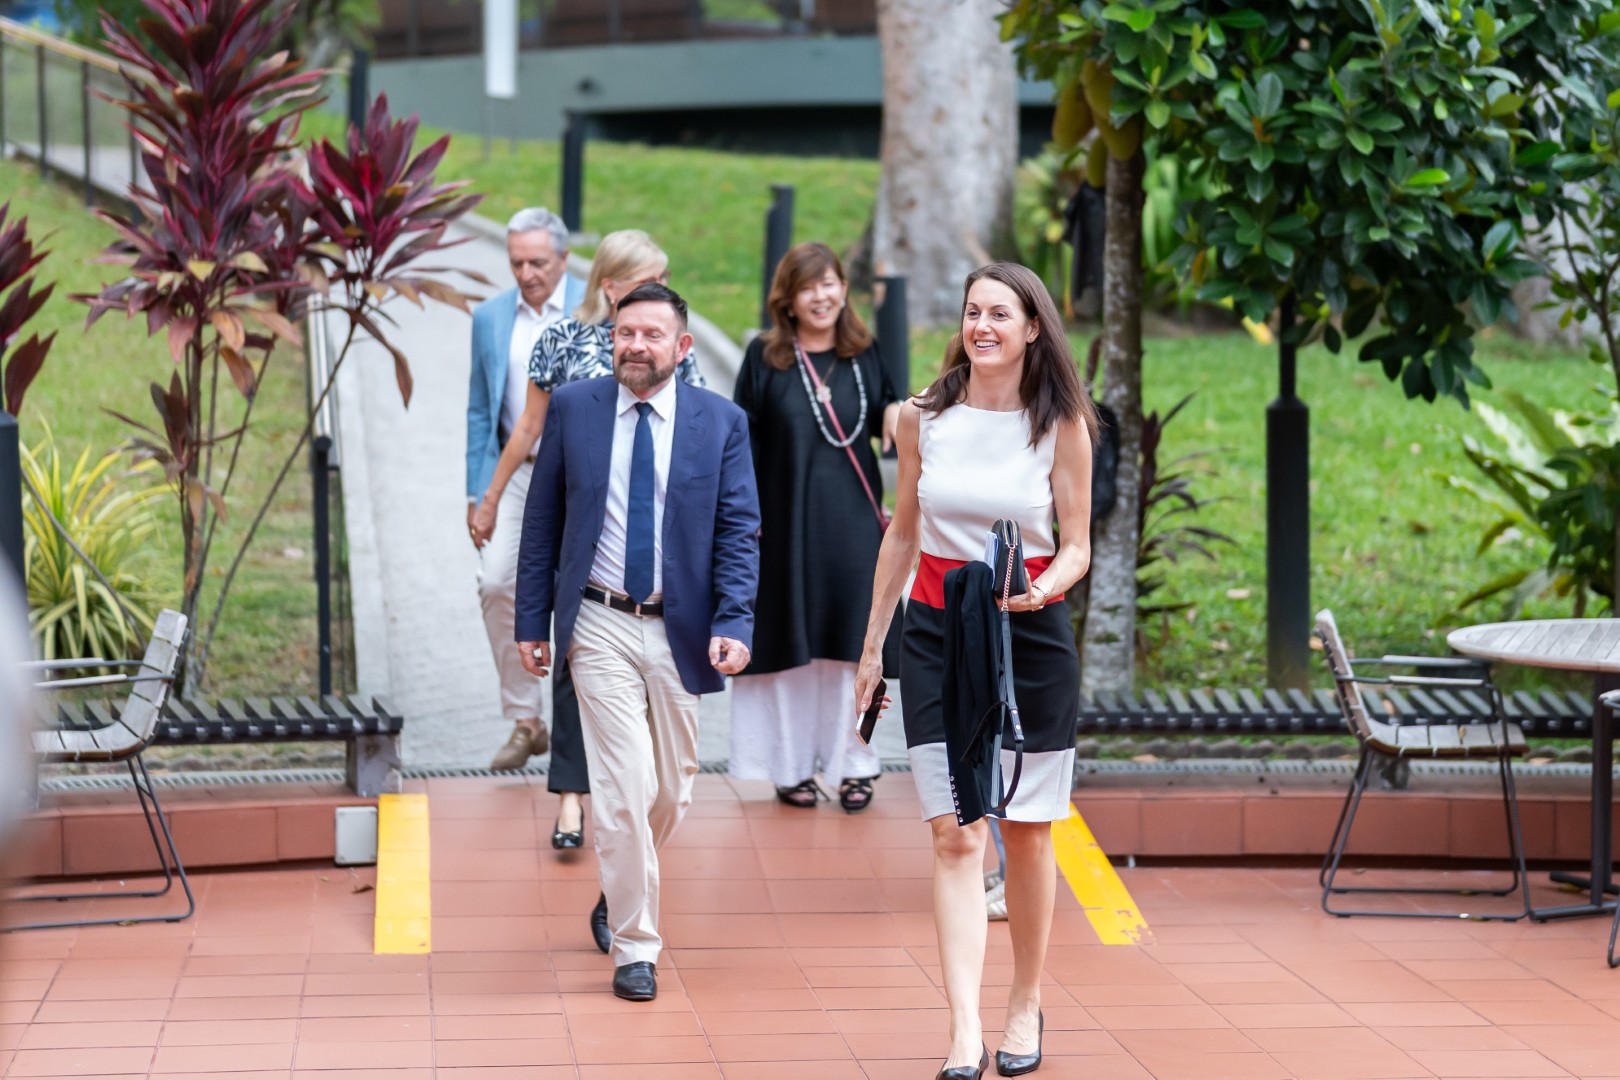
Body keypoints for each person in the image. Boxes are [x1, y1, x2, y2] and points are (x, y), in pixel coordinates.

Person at [855, 263, 1097, 1079]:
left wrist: (1044, 589)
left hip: (1030, 635)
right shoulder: (922, 417)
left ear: (1033, 328)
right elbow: (902, 532)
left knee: (1026, 832)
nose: (982, 326)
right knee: (954, 833)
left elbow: (1076, 545)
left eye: (1000, 313)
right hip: (935, 631)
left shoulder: (1060, 424)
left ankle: (1025, 1001)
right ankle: (964, 1028)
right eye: (972, 312)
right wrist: (872, 647)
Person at [514, 282, 760, 1003]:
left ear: (682, 347)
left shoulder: (721, 422)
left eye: (652, 335)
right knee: (622, 791)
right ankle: (635, 945)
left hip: (682, 626)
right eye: (625, 333)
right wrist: (532, 622)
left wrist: (734, 620)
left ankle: (621, 880)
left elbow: (739, 530)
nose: (636, 346)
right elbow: (541, 523)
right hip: (599, 622)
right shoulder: (574, 409)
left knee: (671, 791)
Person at [475, 229, 705, 850]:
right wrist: (491, 496)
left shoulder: (670, 343)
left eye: (664, 278)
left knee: (641, 692)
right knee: (571, 652)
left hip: (646, 525)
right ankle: (571, 798)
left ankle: (628, 800)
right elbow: (529, 426)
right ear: (610, 285)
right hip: (572, 513)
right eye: (648, 280)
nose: (661, 289)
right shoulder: (563, 339)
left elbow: (700, 428)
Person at [729, 242, 901, 813]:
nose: (820, 296)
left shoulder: (864, 353)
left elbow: (888, 410)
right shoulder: (765, 357)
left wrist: (899, 410)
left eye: (829, 283)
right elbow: (742, 442)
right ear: (788, 298)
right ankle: (791, 767)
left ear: (844, 289)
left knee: (853, 648)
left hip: (852, 529)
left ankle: (857, 764)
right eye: (807, 287)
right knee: (793, 651)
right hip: (785, 530)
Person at [466, 207, 586, 775]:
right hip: (518, 471)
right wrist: (478, 492)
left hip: (580, 474)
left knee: (577, 594)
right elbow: (479, 410)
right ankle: (525, 720)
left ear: (564, 258)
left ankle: (580, 725)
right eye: (516, 263)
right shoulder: (491, 317)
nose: (526, 273)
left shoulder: (594, 306)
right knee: (495, 583)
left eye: (537, 262)